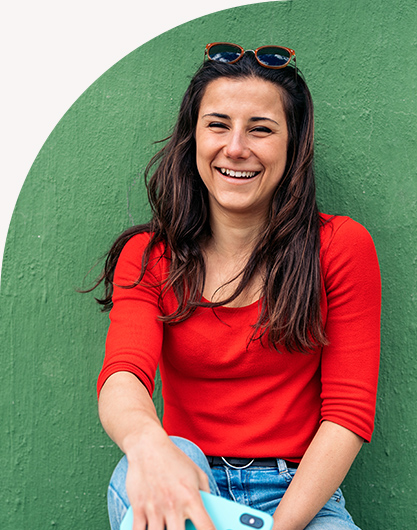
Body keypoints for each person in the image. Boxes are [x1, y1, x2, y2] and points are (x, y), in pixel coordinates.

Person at [92, 43, 381, 530]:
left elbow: (347, 415)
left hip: (300, 496)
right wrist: (148, 444)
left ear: (293, 146)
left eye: (261, 129)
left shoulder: (340, 246)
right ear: (194, 137)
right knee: (141, 464)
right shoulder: (149, 256)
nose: (236, 147)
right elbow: (124, 375)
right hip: (187, 478)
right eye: (218, 124)